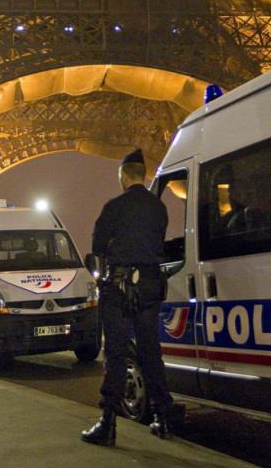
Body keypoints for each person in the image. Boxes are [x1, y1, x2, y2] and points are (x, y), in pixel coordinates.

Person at [81, 149, 173, 448]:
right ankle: (163, 417)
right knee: (150, 352)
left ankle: (108, 421)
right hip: (149, 284)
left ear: (123, 175)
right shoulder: (159, 208)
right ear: (143, 175)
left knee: (117, 354)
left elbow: (97, 245)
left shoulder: (115, 206)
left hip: (119, 286)